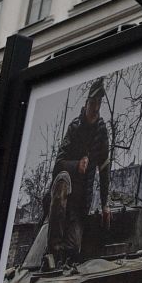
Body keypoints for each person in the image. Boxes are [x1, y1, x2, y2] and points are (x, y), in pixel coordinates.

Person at [49, 80, 112, 259]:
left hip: (80, 202)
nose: (95, 107)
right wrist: (76, 166)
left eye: (99, 103)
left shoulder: (101, 132)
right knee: (62, 178)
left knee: (73, 249)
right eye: (93, 103)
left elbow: (105, 168)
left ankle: (63, 256)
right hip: (64, 196)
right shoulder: (74, 128)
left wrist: (105, 204)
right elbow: (58, 163)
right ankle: (53, 249)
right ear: (86, 104)